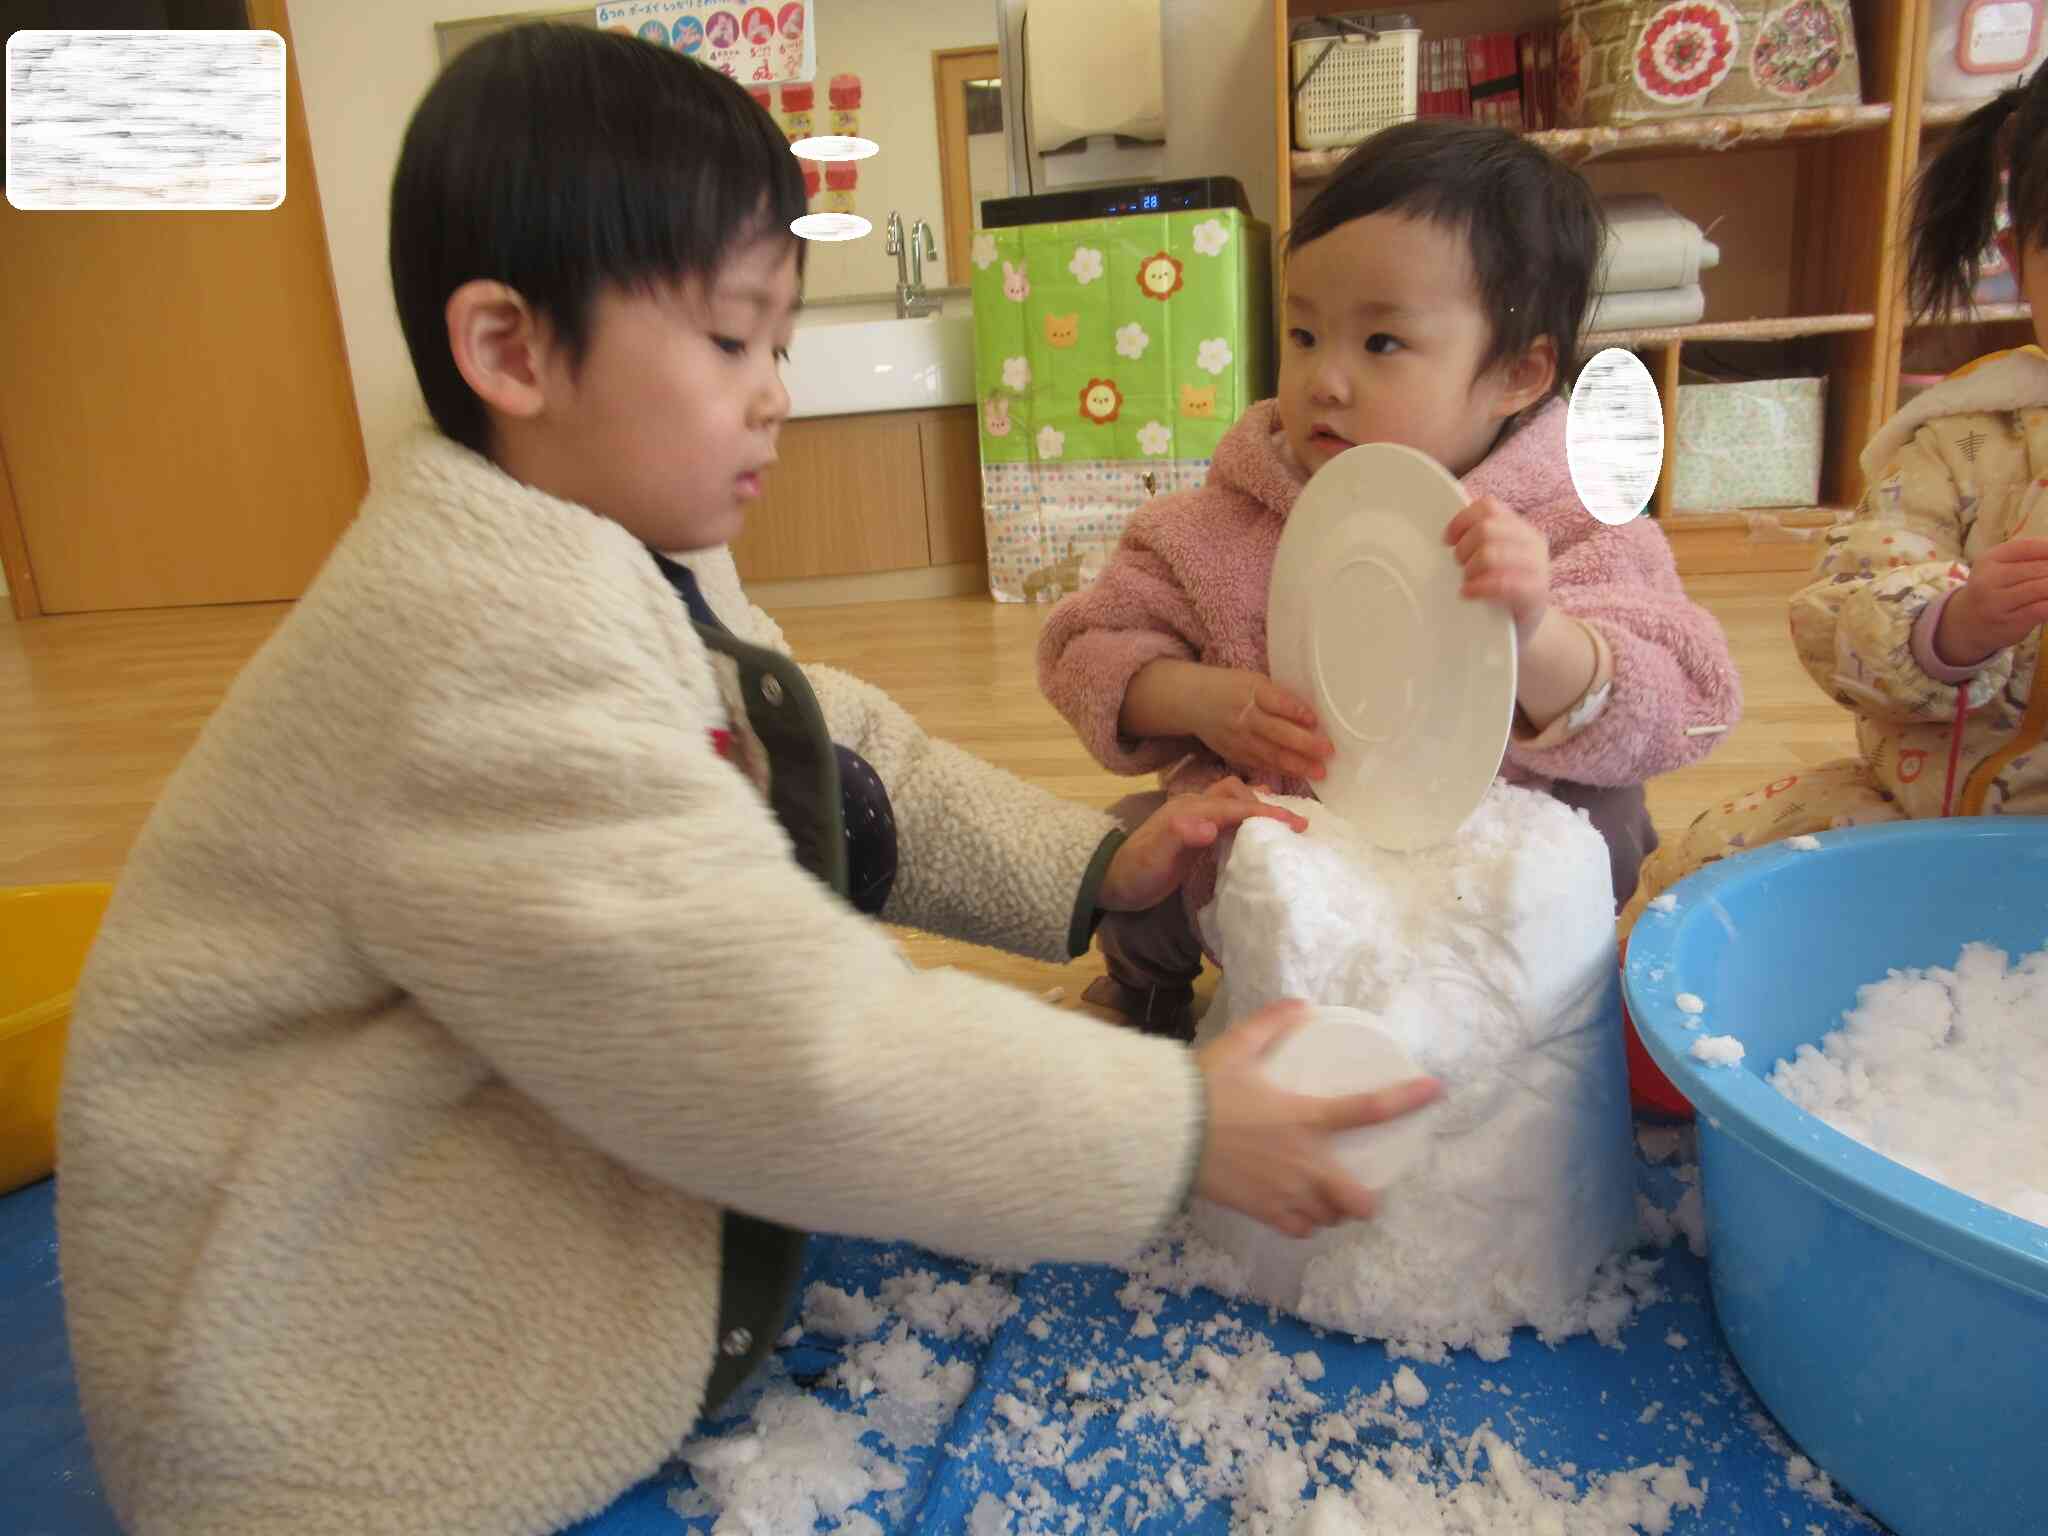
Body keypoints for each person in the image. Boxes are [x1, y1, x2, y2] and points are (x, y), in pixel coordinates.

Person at [54, 28, 1440, 1536]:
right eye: (730, 342)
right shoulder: (480, 648)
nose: (775, 390)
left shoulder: (614, 539)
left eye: (781, 341)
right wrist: (1169, 1130)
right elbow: (767, 1040)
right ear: (512, 352)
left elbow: (821, 755)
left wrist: (1096, 866)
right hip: (320, 1377)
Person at [1039, 120, 1742, 1038]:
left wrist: (1540, 635)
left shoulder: (1571, 523)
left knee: (1606, 827)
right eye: (1301, 333)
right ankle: (1148, 989)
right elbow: (1085, 648)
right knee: (1142, 839)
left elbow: (1688, 693)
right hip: (1289, 855)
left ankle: (1551, 1018)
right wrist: (1195, 698)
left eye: (1381, 344)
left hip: (1487, 870)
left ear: (1517, 375)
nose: (1325, 380)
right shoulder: (1217, 522)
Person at [1620, 68, 2048, 934]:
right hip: (1929, 816)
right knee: (1686, 887)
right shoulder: (1966, 437)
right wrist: (1952, 628)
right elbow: (1840, 608)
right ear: (2018, 259)